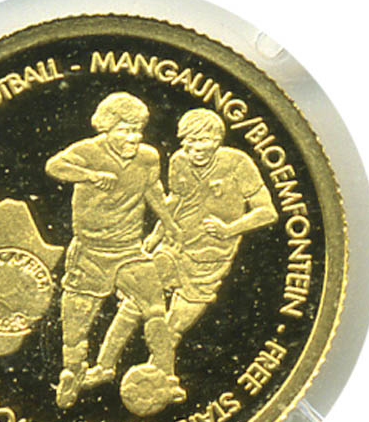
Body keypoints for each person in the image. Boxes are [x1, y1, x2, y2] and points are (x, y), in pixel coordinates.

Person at [83, 108, 278, 389]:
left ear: (217, 140)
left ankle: (160, 382)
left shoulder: (238, 163)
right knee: (134, 304)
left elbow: (267, 212)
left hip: (210, 259)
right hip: (174, 246)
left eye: (202, 140)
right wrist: (154, 237)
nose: (195, 148)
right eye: (189, 141)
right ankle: (104, 367)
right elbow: (175, 200)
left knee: (172, 327)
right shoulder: (179, 160)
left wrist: (229, 229)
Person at [46, 92, 184, 409]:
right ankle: (73, 373)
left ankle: (166, 376)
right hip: (91, 252)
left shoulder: (148, 157)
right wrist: (91, 176)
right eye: (124, 130)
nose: (133, 137)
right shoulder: (88, 151)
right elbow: (54, 166)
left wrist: (169, 223)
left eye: (137, 130)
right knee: (76, 322)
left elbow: (153, 190)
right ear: (106, 128)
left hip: (130, 251)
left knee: (155, 309)